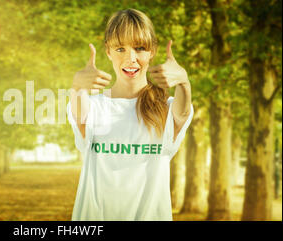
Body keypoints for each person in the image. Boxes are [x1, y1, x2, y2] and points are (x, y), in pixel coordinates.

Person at [67, 8, 194, 221]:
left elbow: (182, 111)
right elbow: (79, 112)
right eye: (120, 49)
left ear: (152, 51)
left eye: (140, 48)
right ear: (108, 51)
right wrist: (76, 87)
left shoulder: (165, 108)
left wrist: (183, 82)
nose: (131, 58)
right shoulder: (93, 106)